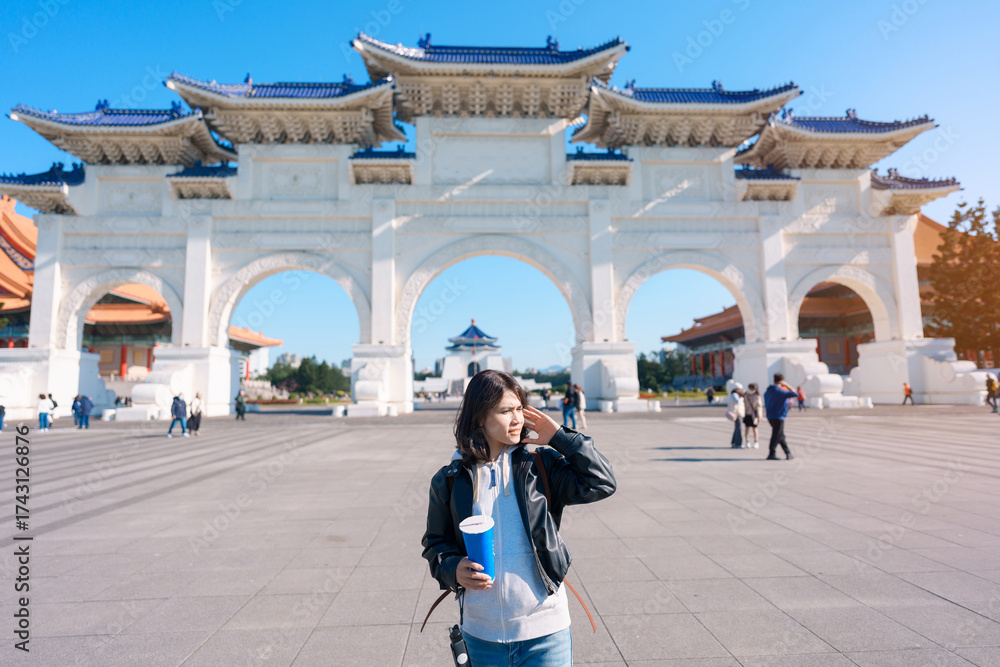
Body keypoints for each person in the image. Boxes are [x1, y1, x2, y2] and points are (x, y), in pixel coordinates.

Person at [422, 370, 616, 666]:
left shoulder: (541, 466)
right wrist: (452, 568)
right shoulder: (450, 480)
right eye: (505, 411)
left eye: (518, 409)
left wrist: (561, 438)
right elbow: (436, 543)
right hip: (482, 635)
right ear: (479, 418)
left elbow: (601, 482)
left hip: (546, 632)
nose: (517, 419)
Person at [764, 374, 798, 460]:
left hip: (770, 416)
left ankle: (788, 453)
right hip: (779, 416)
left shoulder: (768, 391)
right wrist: (786, 385)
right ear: (781, 381)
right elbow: (795, 393)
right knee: (776, 435)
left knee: (780, 435)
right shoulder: (780, 392)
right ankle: (772, 453)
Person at [742, 383, 763, 449]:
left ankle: (756, 442)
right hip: (747, 414)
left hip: (754, 415)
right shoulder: (745, 394)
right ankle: (747, 441)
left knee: (755, 428)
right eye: (750, 388)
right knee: (747, 428)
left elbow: (759, 406)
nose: (751, 390)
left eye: (752, 389)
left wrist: (760, 416)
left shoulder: (757, 396)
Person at [727, 382, 746, 448]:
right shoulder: (735, 395)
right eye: (739, 389)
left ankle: (734, 442)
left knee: (737, 428)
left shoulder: (734, 394)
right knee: (739, 429)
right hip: (737, 414)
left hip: (737, 413)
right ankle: (738, 443)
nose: (740, 390)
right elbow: (738, 401)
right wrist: (742, 397)